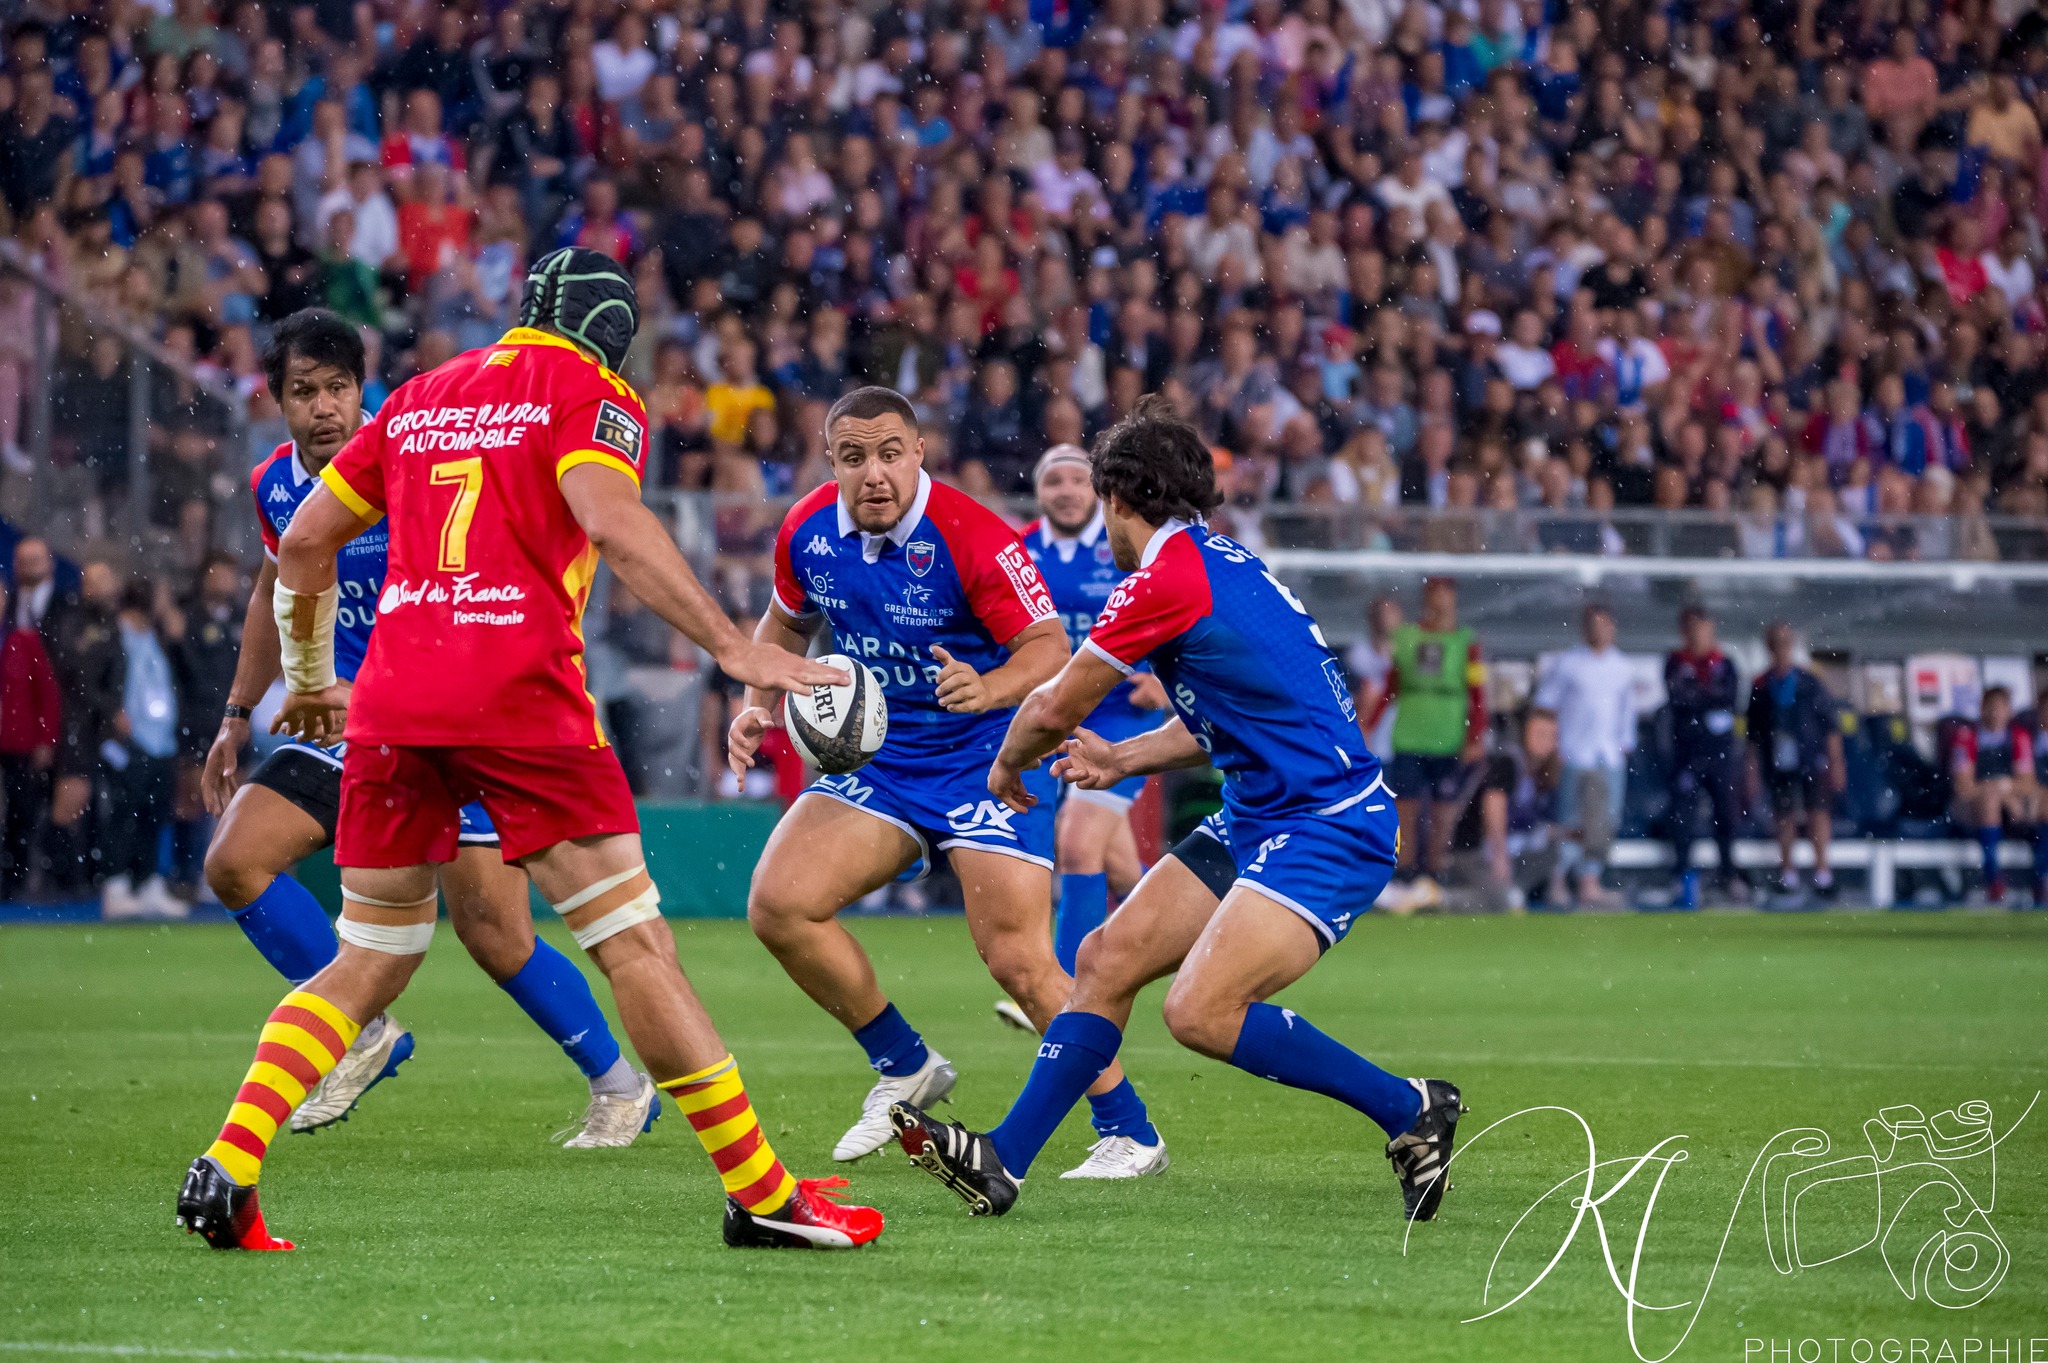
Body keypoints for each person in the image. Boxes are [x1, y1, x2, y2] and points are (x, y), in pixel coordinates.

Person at [177, 258, 882, 1253]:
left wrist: (304, 675)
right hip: (516, 691)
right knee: (633, 944)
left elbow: (300, 543)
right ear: (608, 337)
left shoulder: (420, 397)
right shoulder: (590, 392)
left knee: (370, 952)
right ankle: (762, 1192)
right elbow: (613, 522)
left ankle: (230, 1164)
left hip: (393, 697)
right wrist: (731, 645)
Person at [889, 396, 1463, 1223]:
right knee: (1105, 956)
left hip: (1329, 823)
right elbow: (1223, 717)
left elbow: (1051, 706)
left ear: (1118, 501)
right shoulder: (1210, 562)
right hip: (1263, 812)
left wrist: (1006, 763)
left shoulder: (1165, 576)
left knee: (1199, 1010)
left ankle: (1410, 1108)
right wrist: (1123, 756)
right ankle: (1002, 1159)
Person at [198, 309, 650, 1145]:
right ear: (278, 401)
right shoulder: (274, 485)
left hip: (440, 716)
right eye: (305, 392)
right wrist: (236, 711)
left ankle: (621, 1083)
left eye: (338, 388)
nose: (325, 408)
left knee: (494, 932)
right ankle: (360, 1029)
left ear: (363, 390)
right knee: (233, 860)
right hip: (337, 725)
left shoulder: (412, 457)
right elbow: (273, 590)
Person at [726, 387, 1164, 1177]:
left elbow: (1045, 646)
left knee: (1020, 962)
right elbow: (785, 624)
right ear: (831, 462)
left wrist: (989, 690)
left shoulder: (972, 536)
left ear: (919, 452)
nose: (874, 473)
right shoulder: (806, 530)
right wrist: (758, 702)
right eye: (853, 457)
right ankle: (903, 1061)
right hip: (884, 761)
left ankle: (1129, 1129)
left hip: (990, 758)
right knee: (778, 903)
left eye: (890, 452)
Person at [1017, 444, 1169, 983]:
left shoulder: (1124, 546)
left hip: (1124, 717)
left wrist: (1164, 681)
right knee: (1123, 867)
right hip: (1057, 716)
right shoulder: (1018, 552)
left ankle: (1065, 987)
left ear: (1097, 491)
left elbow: (1173, 613)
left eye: (1077, 481)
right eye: (1053, 481)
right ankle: (1201, 938)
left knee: (1077, 842)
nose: (1066, 491)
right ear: (1039, 492)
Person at [1364, 577, 1486, 888]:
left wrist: (1475, 736)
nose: (1441, 604)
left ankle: (1434, 873)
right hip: (1410, 735)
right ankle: (1403, 872)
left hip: (1447, 737)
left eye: (1446, 597)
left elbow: (1477, 693)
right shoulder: (1408, 638)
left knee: (1443, 811)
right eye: (1436, 596)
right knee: (1405, 806)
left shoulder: (1466, 643)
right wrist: (1370, 723)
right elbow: (1392, 686)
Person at [1533, 604, 1636, 910]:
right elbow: (1546, 707)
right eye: (1593, 625)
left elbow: (1626, 710)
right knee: (1570, 820)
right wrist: (1551, 751)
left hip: (1609, 755)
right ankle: (1559, 879)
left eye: (1605, 625)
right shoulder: (1569, 663)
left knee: (1605, 821)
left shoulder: (1621, 665)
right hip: (1576, 753)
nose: (1599, 631)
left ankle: (1590, 881)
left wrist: (1623, 744)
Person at [103, 580, 187, 918]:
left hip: (162, 740)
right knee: (125, 813)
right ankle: (117, 885)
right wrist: (111, 712)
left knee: (155, 815)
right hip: (130, 739)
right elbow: (94, 678)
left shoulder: (159, 638)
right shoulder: (115, 634)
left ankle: (150, 883)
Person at [1745, 622, 1845, 903]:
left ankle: (1822, 871)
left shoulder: (1809, 681)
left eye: (1786, 642)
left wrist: (1836, 761)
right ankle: (1787, 870)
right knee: (1784, 814)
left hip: (1809, 756)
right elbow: (1753, 734)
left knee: (1817, 812)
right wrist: (1751, 769)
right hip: (1778, 758)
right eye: (1776, 642)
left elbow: (1830, 726)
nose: (1782, 648)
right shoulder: (1762, 686)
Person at [1433, 708, 1564, 914]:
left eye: (1550, 736)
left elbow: (1533, 827)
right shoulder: (1509, 762)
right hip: (1472, 850)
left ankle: (1512, 891)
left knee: (1552, 850)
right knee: (1498, 903)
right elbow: (1493, 807)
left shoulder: (1541, 773)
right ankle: (1438, 899)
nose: (1544, 741)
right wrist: (1499, 856)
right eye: (1538, 734)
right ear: (1524, 735)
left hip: (1508, 850)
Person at [1662, 606, 1744, 908]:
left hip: (1720, 753)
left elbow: (1729, 700)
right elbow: (1679, 699)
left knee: (1725, 813)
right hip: (1687, 752)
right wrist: (1705, 700)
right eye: (1693, 630)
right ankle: (1683, 875)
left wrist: (1700, 699)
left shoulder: (1726, 665)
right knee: (1683, 815)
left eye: (1704, 629)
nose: (1699, 636)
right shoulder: (1675, 663)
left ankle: (1728, 874)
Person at [1950, 685, 2043, 906]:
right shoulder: (1966, 737)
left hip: (2012, 805)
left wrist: (2006, 789)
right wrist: (1997, 789)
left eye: (2000, 708)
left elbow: (2028, 782)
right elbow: (1963, 786)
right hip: (1972, 808)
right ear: (1981, 709)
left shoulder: (2018, 737)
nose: (1995, 713)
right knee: (1989, 802)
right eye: (1990, 707)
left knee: (2045, 803)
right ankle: (1993, 879)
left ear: (2009, 711)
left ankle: (2042, 877)